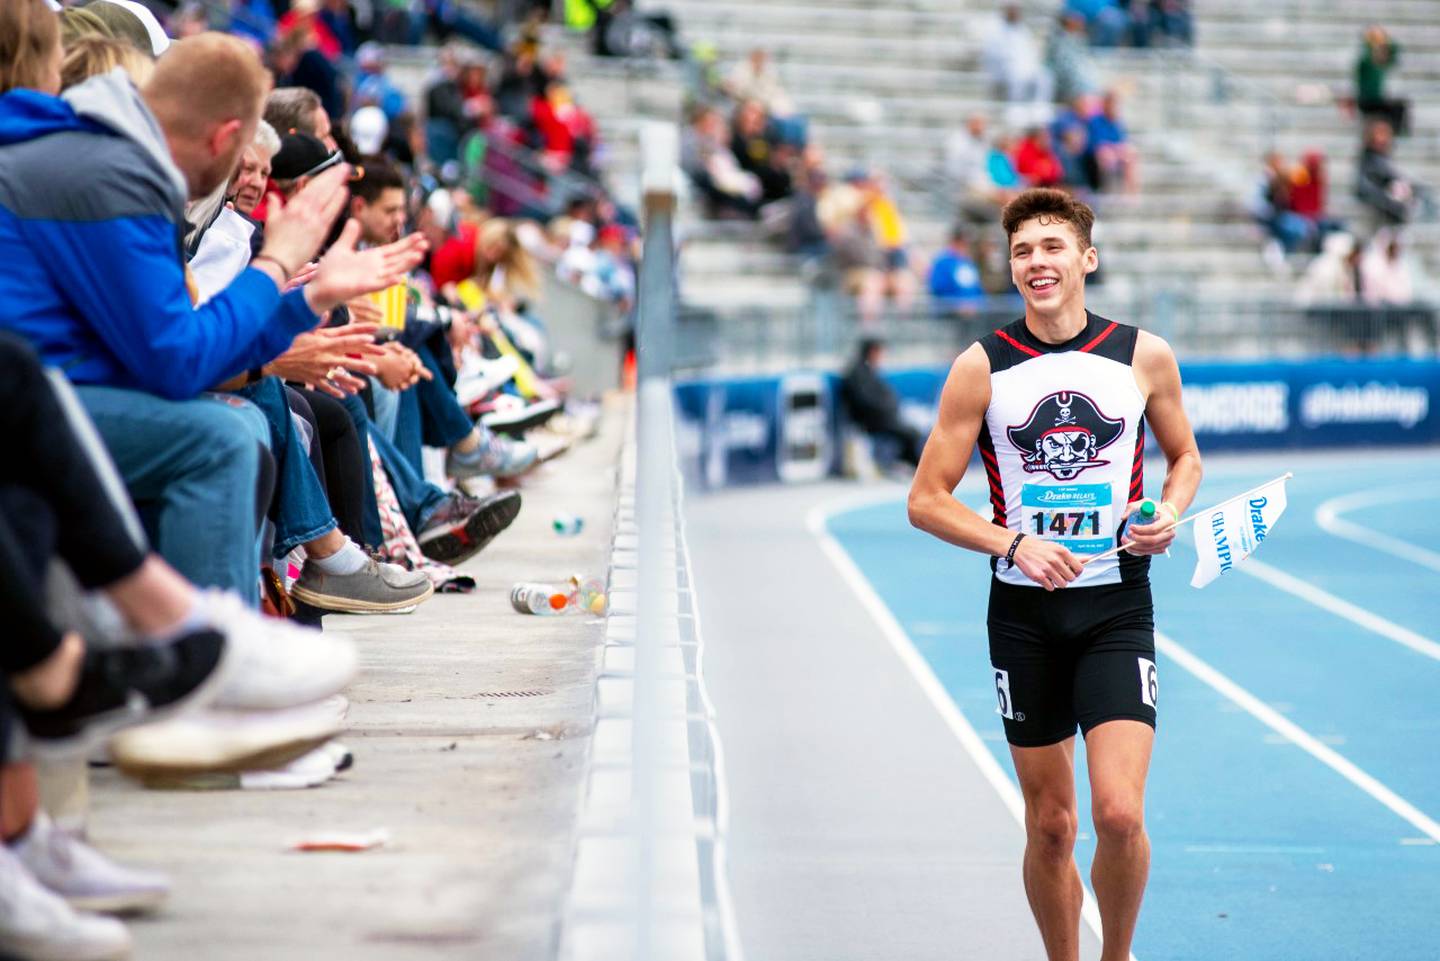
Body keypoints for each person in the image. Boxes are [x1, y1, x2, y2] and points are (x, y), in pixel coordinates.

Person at [907, 187, 1202, 961]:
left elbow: (1186, 459)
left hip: (1114, 608)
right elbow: (925, 500)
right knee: (1051, 824)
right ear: (1012, 268)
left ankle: (1117, 955)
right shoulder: (981, 368)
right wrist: (1011, 544)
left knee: (1118, 814)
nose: (1037, 262)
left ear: (1086, 259)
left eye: (1051, 247)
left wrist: (1165, 514)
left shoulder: (1142, 355)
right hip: (1024, 618)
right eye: (1022, 252)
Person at [839, 337, 926, 469]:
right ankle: (914, 468)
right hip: (870, 421)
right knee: (911, 434)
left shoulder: (867, 370)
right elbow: (864, 401)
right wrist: (886, 410)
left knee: (912, 430)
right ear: (872, 351)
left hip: (881, 418)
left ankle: (905, 464)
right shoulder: (857, 373)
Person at [1355, 25, 1407, 136]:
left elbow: (1394, 52)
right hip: (1368, 100)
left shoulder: (1379, 62)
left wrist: (1385, 40)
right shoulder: (1365, 61)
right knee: (1396, 108)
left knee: (1399, 106)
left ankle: (1394, 134)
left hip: (1377, 100)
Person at [927, 226, 987, 316]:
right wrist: (957, 306)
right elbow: (938, 289)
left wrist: (976, 305)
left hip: (971, 317)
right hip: (948, 317)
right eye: (962, 242)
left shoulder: (968, 262)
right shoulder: (942, 262)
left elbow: (977, 289)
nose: (965, 246)